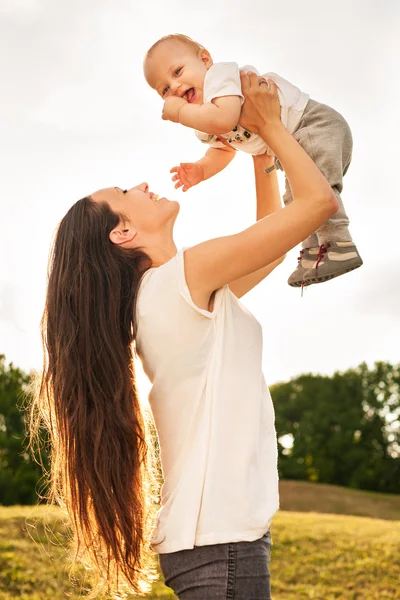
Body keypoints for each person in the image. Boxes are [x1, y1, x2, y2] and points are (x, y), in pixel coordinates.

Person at [30, 73, 338, 600]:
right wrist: (269, 125)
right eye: (128, 192)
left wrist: (257, 150)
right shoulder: (181, 282)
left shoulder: (173, 292)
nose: (144, 186)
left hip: (217, 547)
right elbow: (316, 205)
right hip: (221, 549)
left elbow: (273, 238)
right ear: (122, 233)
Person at [143, 33, 363, 288]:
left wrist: (181, 112)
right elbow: (224, 150)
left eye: (178, 72)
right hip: (293, 145)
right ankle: (315, 253)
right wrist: (202, 169)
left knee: (316, 191)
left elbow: (224, 119)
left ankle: (340, 243)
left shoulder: (220, 78)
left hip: (315, 125)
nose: (175, 87)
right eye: (165, 90)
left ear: (204, 59)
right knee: (297, 201)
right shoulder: (203, 120)